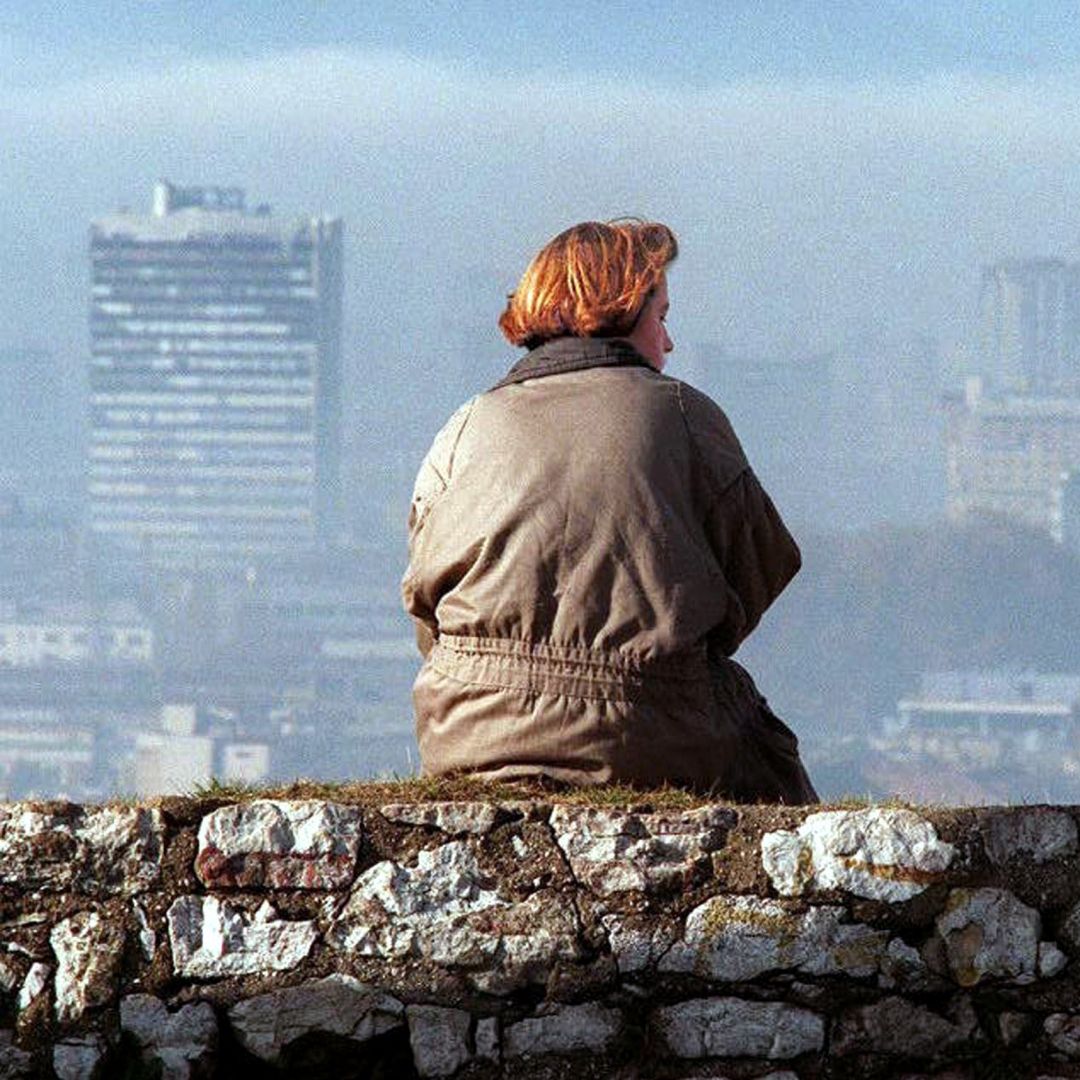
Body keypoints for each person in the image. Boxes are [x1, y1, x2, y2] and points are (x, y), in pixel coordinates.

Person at [402, 220, 817, 802]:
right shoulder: (682, 415)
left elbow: (426, 602)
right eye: (662, 317)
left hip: (465, 732)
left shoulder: (465, 426)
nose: (668, 343)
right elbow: (760, 565)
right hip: (647, 731)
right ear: (620, 310)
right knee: (773, 766)